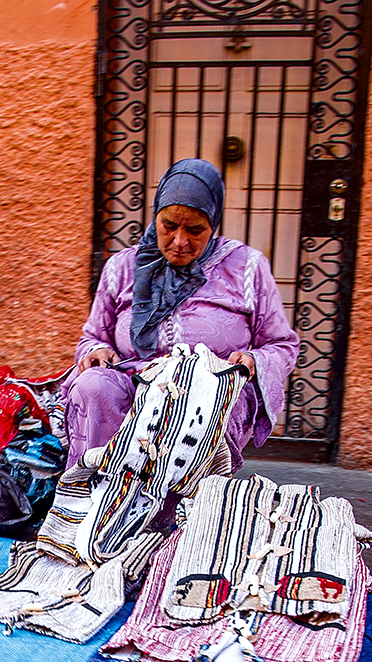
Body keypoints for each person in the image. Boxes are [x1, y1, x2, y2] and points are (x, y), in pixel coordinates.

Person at [62, 158, 300, 470]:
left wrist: (254, 360)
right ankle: (99, 501)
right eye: (169, 226)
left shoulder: (247, 267)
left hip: (210, 393)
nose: (180, 241)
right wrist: (96, 351)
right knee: (93, 385)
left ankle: (176, 515)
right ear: (155, 218)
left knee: (203, 409)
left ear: (213, 224)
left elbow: (283, 346)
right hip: (135, 384)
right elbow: (93, 337)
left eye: (196, 229)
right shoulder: (121, 268)